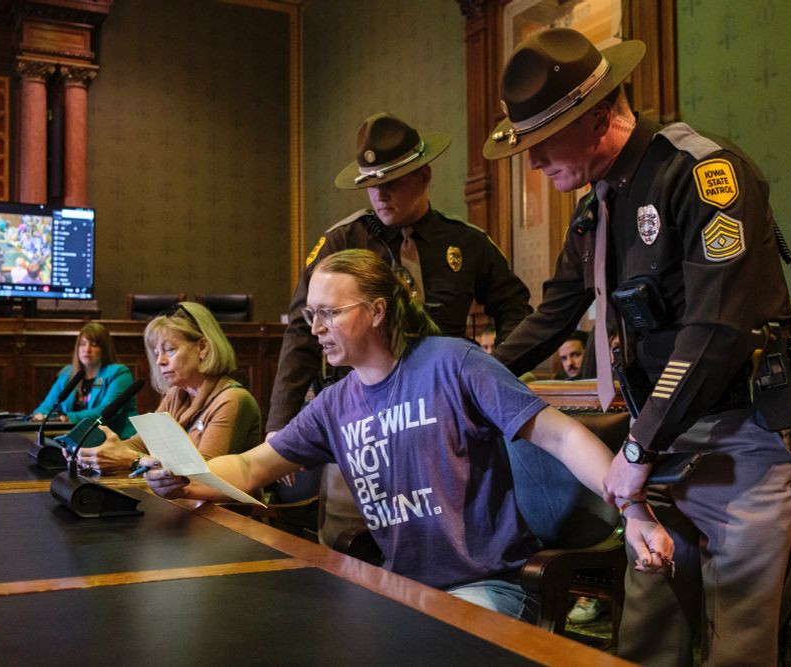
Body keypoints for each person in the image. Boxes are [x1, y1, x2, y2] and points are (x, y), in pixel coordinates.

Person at [483, 28, 791, 665]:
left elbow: (718, 329)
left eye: (540, 144)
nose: (530, 164)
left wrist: (639, 447)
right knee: (647, 638)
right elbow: (552, 317)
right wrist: (461, 375)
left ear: (594, 119)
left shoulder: (702, 173)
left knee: (738, 644)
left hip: (743, 440)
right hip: (661, 450)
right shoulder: (596, 209)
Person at [141, 249, 673, 620]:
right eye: (311, 315)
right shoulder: (335, 403)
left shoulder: (454, 363)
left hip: (487, 588)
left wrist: (634, 512)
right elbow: (253, 466)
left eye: (329, 312)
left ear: (376, 311)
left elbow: (560, 437)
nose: (316, 327)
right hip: (401, 591)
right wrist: (187, 477)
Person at [267, 112, 533, 544]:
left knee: (449, 542)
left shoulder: (463, 242)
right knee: (347, 549)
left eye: (392, 182)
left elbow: (517, 308)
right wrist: (280, 422)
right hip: (360, 424)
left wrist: (489, 376)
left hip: (443, 425)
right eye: (371, 183)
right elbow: (302, 332)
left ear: (423, 176)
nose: (379, 194)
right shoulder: (342, 241)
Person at [76, 302, 261, 474]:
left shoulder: (232, 399)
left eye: (169, 349)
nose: (159, 361)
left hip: (221, 508)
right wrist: (94, 453)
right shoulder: (176, 395)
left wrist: (134, 461)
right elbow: (141, 444)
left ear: (202, 347)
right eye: (157, 353)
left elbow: (204, 475)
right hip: (177, 502)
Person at [31, 321, 139, 439]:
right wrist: (39, 415)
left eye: (94, 344)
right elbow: (47, 407)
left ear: (104, 348)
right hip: (75, 441)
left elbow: (105, 412)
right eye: (82, 344)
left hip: (117, 442)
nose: (87, 349)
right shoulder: (68, 374)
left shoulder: (119, 373)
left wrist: (67, 417)